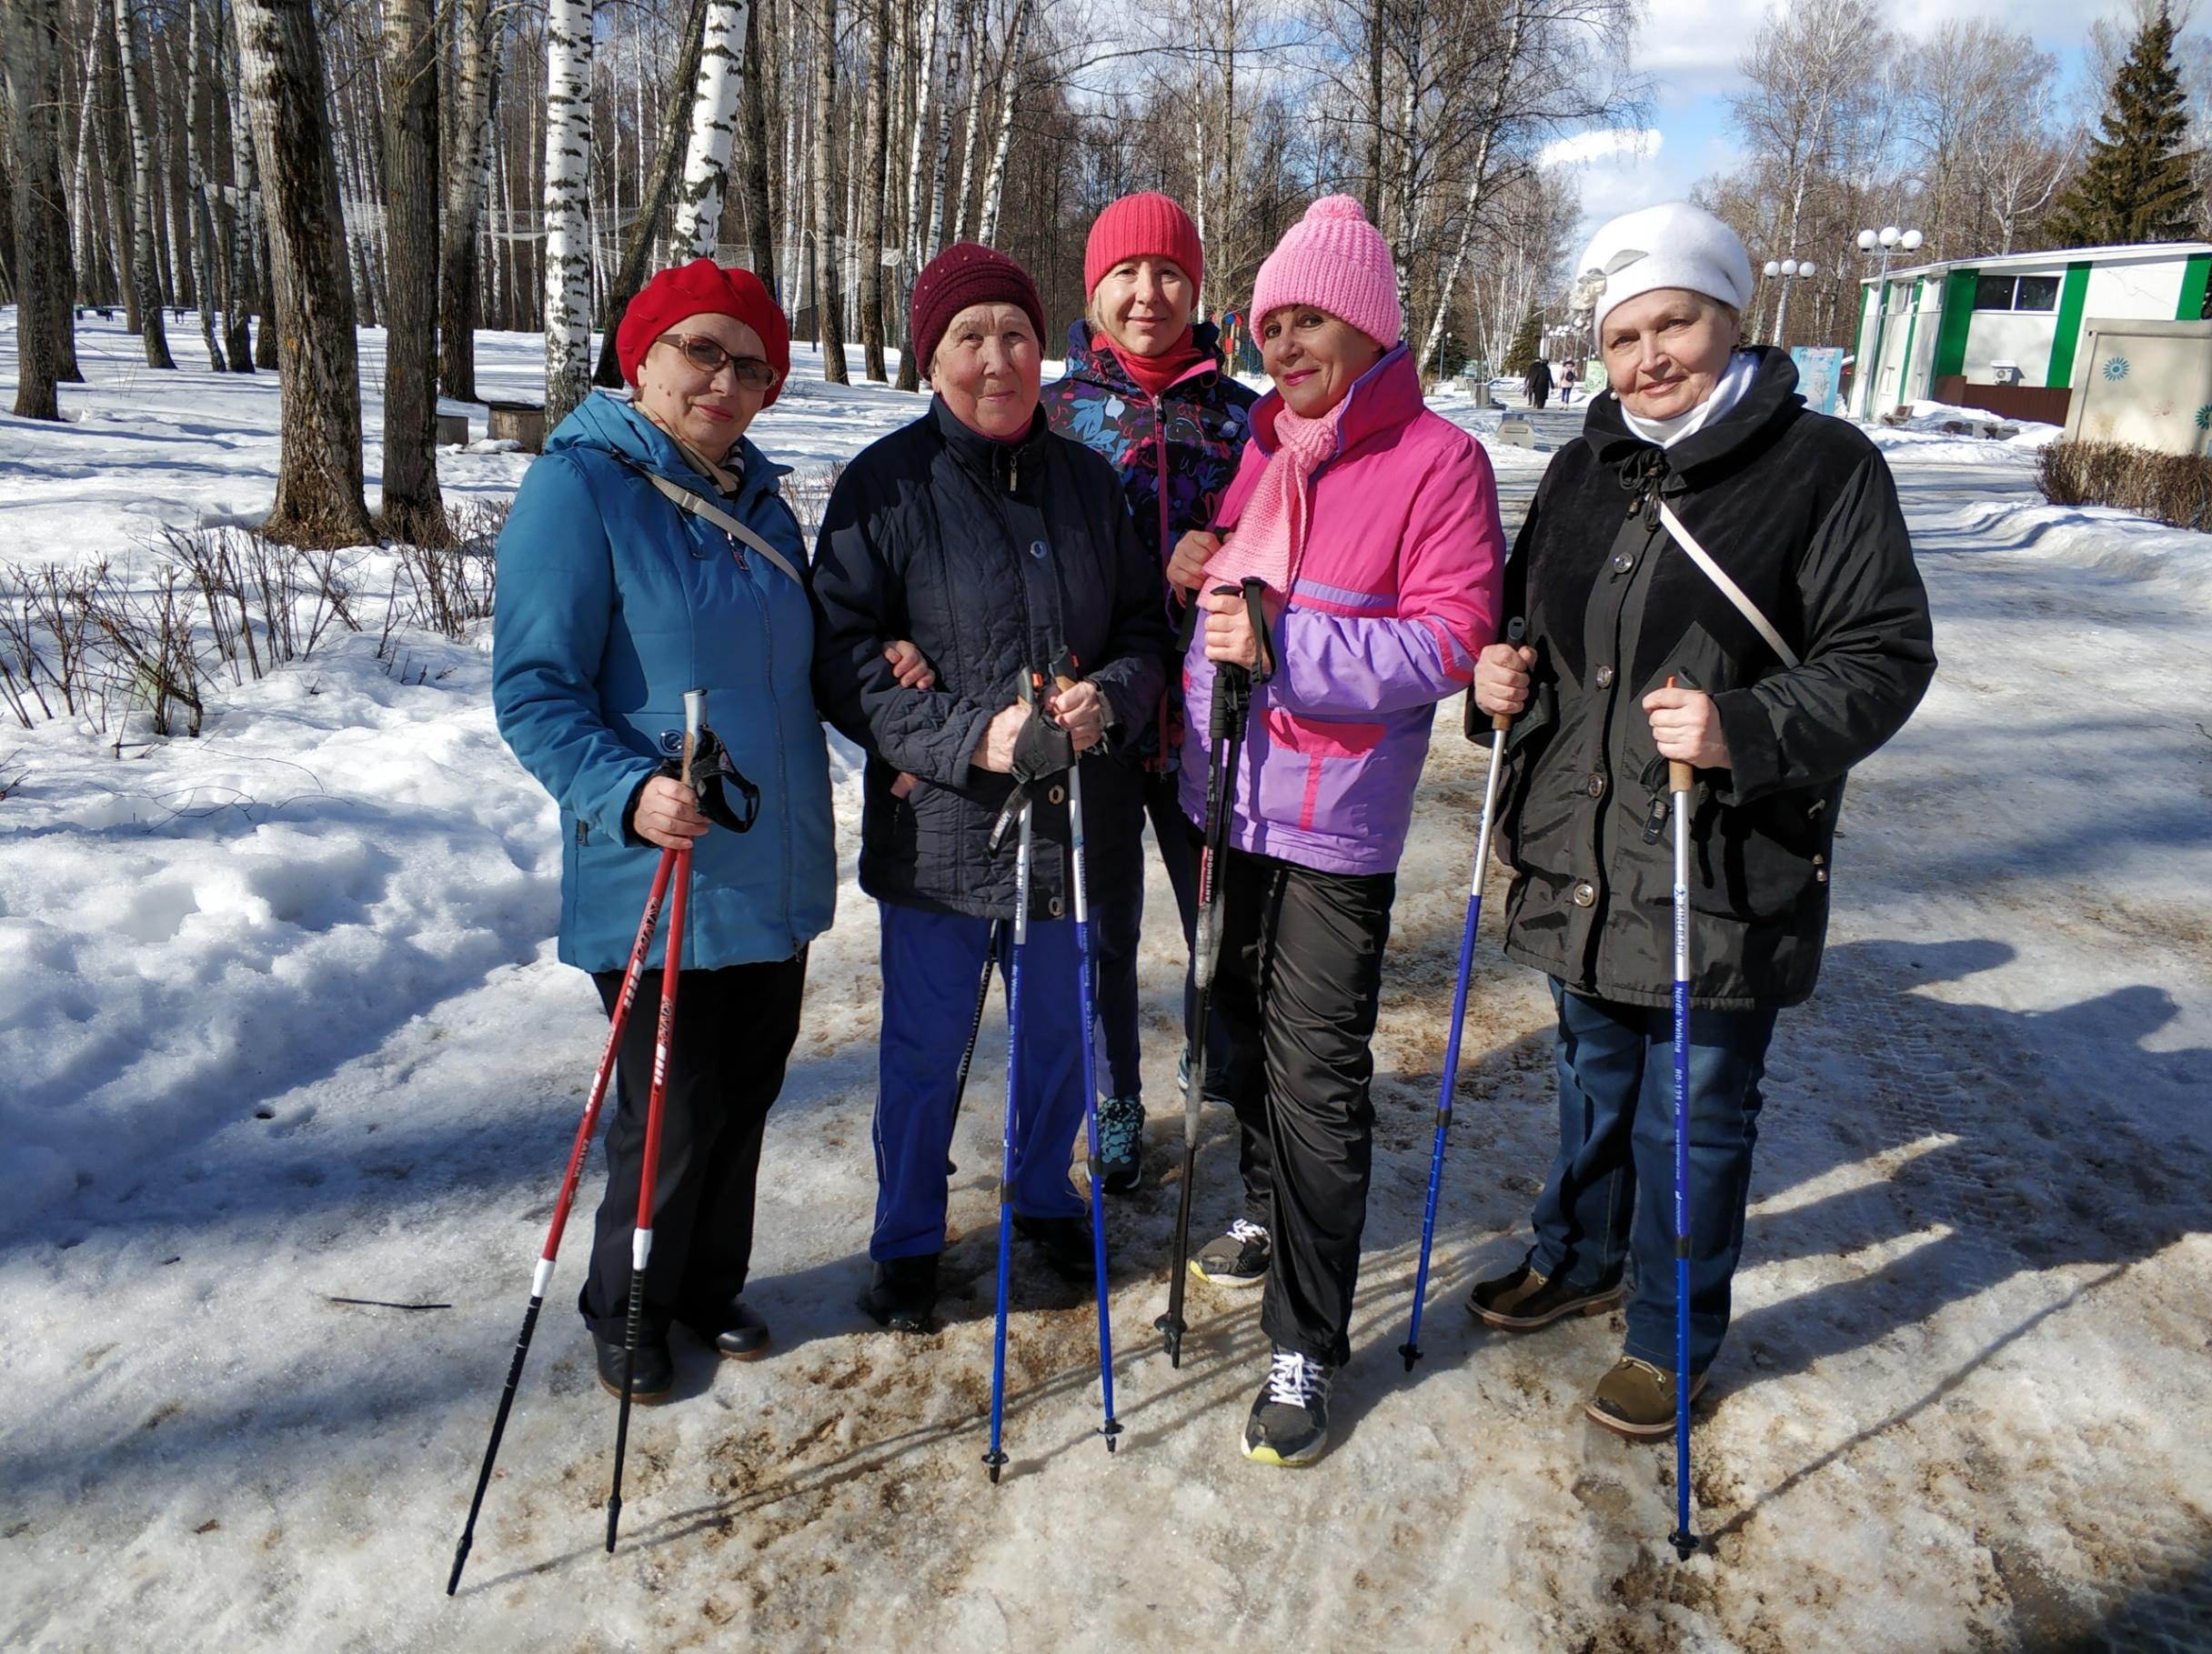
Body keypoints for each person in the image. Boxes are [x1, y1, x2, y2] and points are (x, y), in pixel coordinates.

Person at [1463, 200, 1936, 1437]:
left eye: (1675, 322)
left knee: (1694, 1110)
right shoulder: (1582, 465)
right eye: (1624, 336)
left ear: (1732, 317)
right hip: (1583, 846)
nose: (1649, 358)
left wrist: (1749, 727)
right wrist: (1496, 678)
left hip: (1719, 854)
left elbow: (1884, 653)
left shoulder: (1823, 468)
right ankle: (1576, 1255)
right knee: (1589, 1076)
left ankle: (1673, 1333)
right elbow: (1533, 626)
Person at [1169, 196, 1504, 1464]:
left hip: (1332, 825)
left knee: (1317, 1077)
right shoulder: (1267, 447)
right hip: (1228, 797)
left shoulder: (1438, 461)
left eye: (1309, 318)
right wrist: (1203, 568)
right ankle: (1260, 1204)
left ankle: (1305, 1333)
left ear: (1367, 322)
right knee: (1236, 1026)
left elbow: (1447, 638)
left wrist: (1283, 639)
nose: (1285, 344)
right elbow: (1231, 606)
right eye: (1269, 324)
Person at [810, 243, 1172, 1333]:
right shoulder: (885, 486)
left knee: (1057, 1032)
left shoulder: (1087, 483)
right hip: (940, 831)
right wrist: (973, 734)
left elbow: (1148, 634)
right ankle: (909, 1233)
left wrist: (1106, 698)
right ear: (932, 358)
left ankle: (1038, 1193)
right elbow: (841, 657)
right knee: (924, 1049)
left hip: (1070, 822)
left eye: (1013, 332)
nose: (995, 358)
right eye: (968, 337)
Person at [492, 258, 833, 1401]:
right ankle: (626, 1300)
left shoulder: (762, 498)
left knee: (746, 1088)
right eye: (702, 352)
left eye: (749, 365)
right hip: (661, 866)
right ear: (641, 357)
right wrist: (625, 791)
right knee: (671, 1109)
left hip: (768, 860)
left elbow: (797, 665)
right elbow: (534, 691)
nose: (724, 381)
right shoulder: (579, 489)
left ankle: (702, 1283)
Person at [1039, 191, 1257, 1200]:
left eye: (1167, 272)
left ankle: (1211, 1056)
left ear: (1195, 287)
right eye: (1125, 272)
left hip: (1217, 724)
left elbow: (1292, 543)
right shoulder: (1053, 414)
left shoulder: (1245, 416)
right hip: (1098, 720)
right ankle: (1114, 1094)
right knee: (1105, 927)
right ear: (1093, 289)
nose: (1146, 293)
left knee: (1220, 921)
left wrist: (1227, 567)